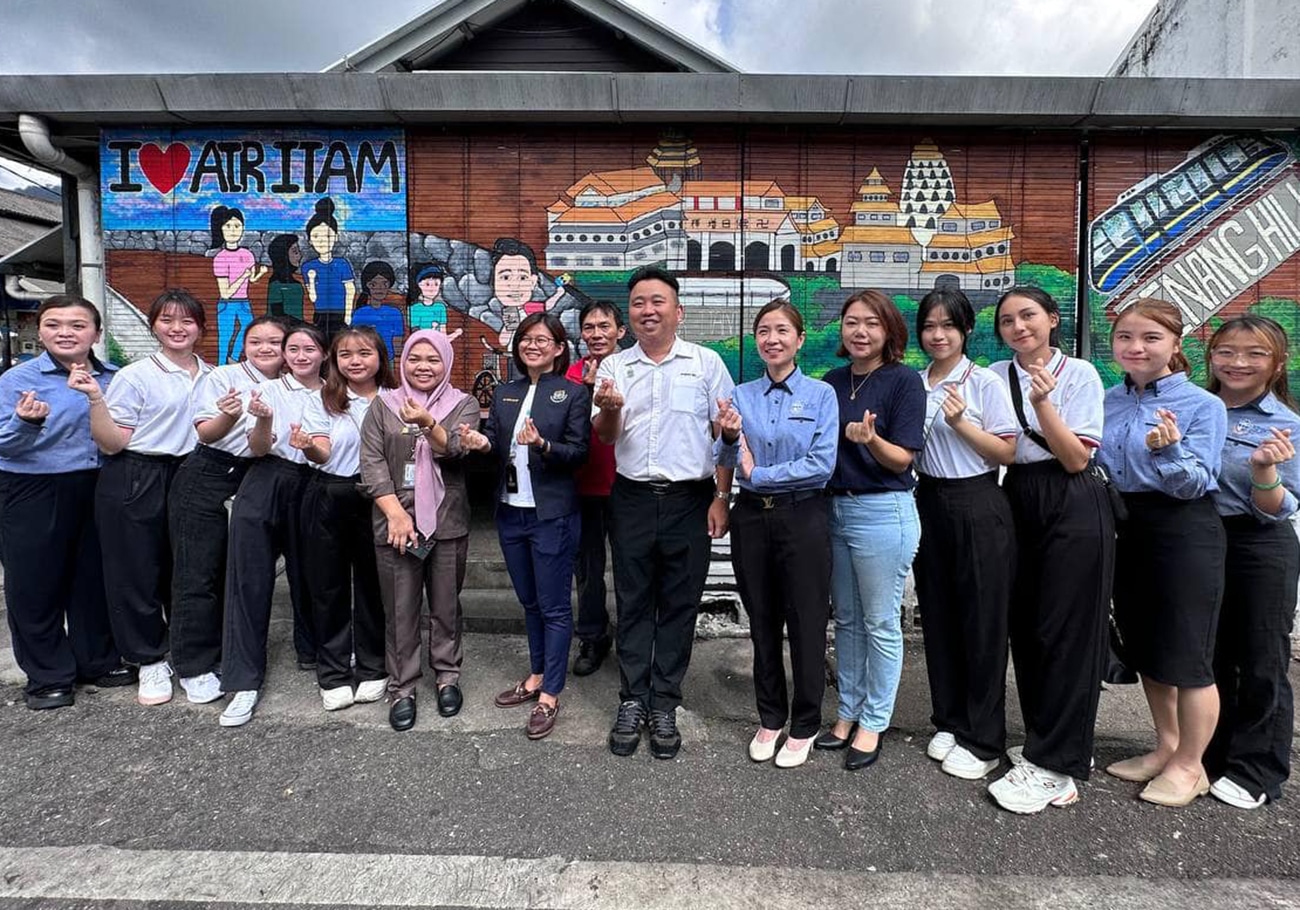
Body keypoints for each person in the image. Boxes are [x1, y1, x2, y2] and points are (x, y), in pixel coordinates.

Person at [592, 265, 735, 760]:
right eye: (638, 303)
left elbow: (726, 437)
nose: (647, 311)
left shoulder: (707, 363)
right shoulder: (614, 368)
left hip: (689, 501)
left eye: (657, 302)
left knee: (679, 603)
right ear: (628, 315)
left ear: (679, 311)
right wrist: (610, 408)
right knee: (633, 602)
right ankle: (633, 698)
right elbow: (607, 437)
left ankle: (665, 701)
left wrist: (722, 496)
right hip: (631, 498)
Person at [987, 286, 1113, 814]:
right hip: (1016, 497)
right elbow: (999, 448)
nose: (1019, 327)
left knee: (1068, 630)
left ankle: (1059, 765)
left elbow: (1075, 460)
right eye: (1008, 320)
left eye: (1029, 316)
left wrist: (1042, 404)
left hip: (1072, 501)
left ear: (1053, 319)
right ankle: (1042, 740)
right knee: (1029, 627)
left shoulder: (1080, 374)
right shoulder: (993, 376)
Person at [1098, 299, 1228, 806]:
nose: (1136, 347)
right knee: (1148, 644)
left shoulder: (1202, 405)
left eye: (1151, 337)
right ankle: (1166, 747)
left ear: (1177, 343)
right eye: (1125, 337)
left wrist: (1168, 451)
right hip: (1127, 528)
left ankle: (1192, 765)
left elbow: (1198, 483)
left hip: (1183, 530)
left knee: (1188, 653)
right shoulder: (1109, 399)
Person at [70, 290, 211, 708]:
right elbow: (112, 443)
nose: (177, 328)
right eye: (167, 320)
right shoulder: (136, 375)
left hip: (189, 473)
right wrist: (96, 399)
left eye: (186, 320)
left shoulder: (212, 374)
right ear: (154, 326)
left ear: (201, 327)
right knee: (136, 571)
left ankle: (191, 659)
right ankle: (149, 658)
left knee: (187, 572)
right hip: (137, 472)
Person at [461, 313, 589, 740]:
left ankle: (550, 693)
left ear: (558, 348)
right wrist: (482, 444)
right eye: (526, 339)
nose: (532, 345)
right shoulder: (505, 393)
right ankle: (536, 675)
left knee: (554, 606)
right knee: (529, 602)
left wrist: (543, 444)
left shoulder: (571, 393)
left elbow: (578, 453)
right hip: (510, 511)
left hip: (551, 514)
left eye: (542, 339)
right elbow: (497, 446)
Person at [814, 291, 924, 772]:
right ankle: (847, 712)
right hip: (834, 510)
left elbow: (903, 459)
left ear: (889, 332)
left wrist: (872, 439)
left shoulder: (904, 382)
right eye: (852, 322)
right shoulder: (831, 382)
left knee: (881, 622)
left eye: (871, 324)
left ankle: (874, 720)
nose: (860, 332)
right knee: (848, 621)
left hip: (884, 511)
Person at [725, 299, 837, 769]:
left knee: (807, 621)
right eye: (764, 331)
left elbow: (821, 466)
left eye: (781, 330)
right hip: (750, 518)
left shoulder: (820, 395)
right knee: (763, 621)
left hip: (803, 517)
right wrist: (730, 440)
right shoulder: (740, 394)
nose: (772, 339)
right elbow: (728, 456)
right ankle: (770, 716)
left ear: (799, 339)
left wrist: (760, 474)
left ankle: (806, 722)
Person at [0, 295, 127, 710]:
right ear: (40, 332)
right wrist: (25, 422)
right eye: (54, 325)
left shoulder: (115, 377)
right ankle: (47, 674)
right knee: (35, 583)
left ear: (96, 333)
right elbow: (4, 444)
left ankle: (97, 660)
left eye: (77, 325)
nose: (66, 333)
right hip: (34, 487)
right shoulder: (17, 381)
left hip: (99, 484)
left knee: (93, 579)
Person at [912, 288, 1018, 781]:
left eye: (948, 326)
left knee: (983, 622)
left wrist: (960, 425)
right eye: (930, 326)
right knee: (939, 616)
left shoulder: (984, 383)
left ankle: (985, 738)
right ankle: (950, 719)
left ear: (966, 330)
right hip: (928, 501)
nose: (938, 335)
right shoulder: (915, 383)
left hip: (978, 501)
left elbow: (1005, 452)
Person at [359, 330, 481, 732]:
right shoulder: (383, 406)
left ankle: (447, 675)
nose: (423, 367)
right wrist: (395, 514)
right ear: (403, 362)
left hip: (446, 521)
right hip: (397, 524)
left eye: (433, 360)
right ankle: (403, 686)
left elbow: (455, 450)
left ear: (445, 363)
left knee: (446, 606)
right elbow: (372, 462)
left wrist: (429, 423)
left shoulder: (463, 403)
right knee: (401, 609)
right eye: (416, 359)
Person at [1203, 315, 1300, 810]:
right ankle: (1210, 756)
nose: (1238, 362)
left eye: (1254, 353)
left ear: (1276, 363)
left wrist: (1264, 470)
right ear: (1210, 356)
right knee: (1208, 655)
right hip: (1199, 540)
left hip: (1258, 544)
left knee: (1261, 658)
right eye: (1226, 351)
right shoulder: (1197, 408)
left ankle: (1258, 769)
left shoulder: (1286, 424)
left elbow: (1279, 507)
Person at [169, 315, 286, 705]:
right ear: (244, 345)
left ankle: (229, 654)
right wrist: (230, 414)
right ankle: (193, 665)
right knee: (198, 572)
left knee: (238, 576)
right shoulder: (224, 377)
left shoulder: (292, 383)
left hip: (259, 476)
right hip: (210, 472)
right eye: (257, 341)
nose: (266, 348)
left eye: (275, 341)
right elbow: (206, 432)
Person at [218, 324, 327, 727]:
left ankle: (315, 652)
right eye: (292, 348)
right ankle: (243, 681)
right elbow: (259, 447)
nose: (299, 356)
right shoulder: (268, 392)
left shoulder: (333, 393)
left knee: (313, 575)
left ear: (324, 354)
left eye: (308, 348)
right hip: (266, 478)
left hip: (314, 483)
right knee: (249, 580)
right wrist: (262, 420)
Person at [296, 326, 397, 711]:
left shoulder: (393, 400)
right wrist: (309, 449)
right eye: (345, 355)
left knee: (373, 585)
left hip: (378, 498)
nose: (355, 361)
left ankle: (373, 667)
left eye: (364, 353)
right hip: (329, 493)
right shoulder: (322, 398)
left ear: (379, 357)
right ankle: (334, 673)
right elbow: (321, 451)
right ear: (334, 361)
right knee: (328, 586)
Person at [564, 300, 626, 676]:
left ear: (620, 331)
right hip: (583, 488)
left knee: (629, 570)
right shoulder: (571, 374)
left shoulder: (630, 369)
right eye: (589, 327)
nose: (597, 334)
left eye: (605, 326)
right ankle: (593, 636)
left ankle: (633, 639)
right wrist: (586, 393)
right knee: (588, 570)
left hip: (626, 486)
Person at [209, 205, 267, 364]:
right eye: (228, 226)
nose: (233, 230)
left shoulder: (247, 255)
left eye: (237, 226)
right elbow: (226, 292)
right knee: (225, 336)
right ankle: (221, 366)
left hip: (244, 302)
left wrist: (259, 274)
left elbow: (251, 279)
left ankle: (233, 357)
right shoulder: (220, 258)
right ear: (221, 229)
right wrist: (243, 276)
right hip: (227, 304)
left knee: (249, 331)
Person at [302, 198, 356, 340]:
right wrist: (312, 280)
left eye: (327, 235)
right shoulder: (308, 267)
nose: (321, 241)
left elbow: (350, 289)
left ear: (336, 237)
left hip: (339, 313)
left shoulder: (342, 263)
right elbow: (313, 298)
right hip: (320, 314)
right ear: (309, 240)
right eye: (315, 236)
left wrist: (348, 313)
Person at [351, 260, 407, 359]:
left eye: (385, 284)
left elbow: (397, 346)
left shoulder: (395, 313)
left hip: (387, 361)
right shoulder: (360, 313)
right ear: (367, 286)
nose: (379, 288)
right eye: (373, 284)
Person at [265, 234, 306, 324]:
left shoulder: (296, 283)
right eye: (295, 252)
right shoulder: (276, 284)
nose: (300, 256)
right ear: (283, 256)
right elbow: (278, 314)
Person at [409, 263, 450, 333]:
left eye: (436, 284)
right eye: (427, 284)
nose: (432, 288)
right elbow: (415, 332)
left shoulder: (441, 307)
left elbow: (443, 331)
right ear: (419, 285)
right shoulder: (414, 309)